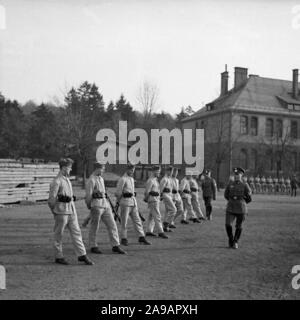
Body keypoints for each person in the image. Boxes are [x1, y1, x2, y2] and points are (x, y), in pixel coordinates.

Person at [48, 158, 94, 265]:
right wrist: (54, 212)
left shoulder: (67, 180)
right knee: (58, 235)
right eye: (69, 167)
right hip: (61, 212)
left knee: (77, 232)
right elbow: (51, 200)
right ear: (64, 167)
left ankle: (82, 255)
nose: (71, 169)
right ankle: (58, 256)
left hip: (71, 211)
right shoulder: (57, 181)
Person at [85, 163, 126, 255]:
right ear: (97, 169)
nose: (103, 171)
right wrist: (89, 206)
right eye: (102, 169)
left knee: (112, 224)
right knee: (94, 226)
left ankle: (115, 245)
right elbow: (88, 196)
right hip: (96, 204)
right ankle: (93, 245)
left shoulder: (101, 179)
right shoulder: (91, 180)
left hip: (105, 204)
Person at [115, 163, 151, 246]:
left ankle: (141, 237)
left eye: (133, 170)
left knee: (137, 220)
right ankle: (124, 238)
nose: (132, 171)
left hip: (133, 202)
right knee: (124, 222)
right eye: (131, 170)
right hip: (125, 202)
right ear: (127, 169)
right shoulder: (122, 179)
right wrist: (118, 202)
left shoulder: (131, 179)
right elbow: (118, 192)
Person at [224, 167, 252, 249]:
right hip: (231, 207)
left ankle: (235, 241)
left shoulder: (245, 185)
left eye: (238, 175)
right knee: (228, 224)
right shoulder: (230, 184)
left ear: (241, 175)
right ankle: (230, 239)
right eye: (235, 175)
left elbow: (249, 198)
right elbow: (226, 195)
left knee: (239, 226)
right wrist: (232, 200)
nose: (236, 176)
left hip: (241, 208)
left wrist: (242, 202)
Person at [144, 165, 168, 239]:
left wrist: (158, 196)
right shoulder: (151, 180)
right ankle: (161, 231)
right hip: (153, 200)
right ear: (153, 171)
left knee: (151, 216)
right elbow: (147, 192)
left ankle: (149, 231)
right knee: (157, 216)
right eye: (157, 171)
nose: (159, 173)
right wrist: (147, 198)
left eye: (159, 171)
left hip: (155, 199)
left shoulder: (155, 180)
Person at [160, 166, 177, 231]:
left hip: (169, 195)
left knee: (167, 211)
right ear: (167, 171)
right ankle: (166, 223)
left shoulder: (169, 179)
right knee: (174, 209)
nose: (172, 173)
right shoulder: (164, 179)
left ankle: (165, 228)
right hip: (165, 195)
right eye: (170, 171)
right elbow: (161, 188)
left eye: (172, 171)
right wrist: (160, 196)